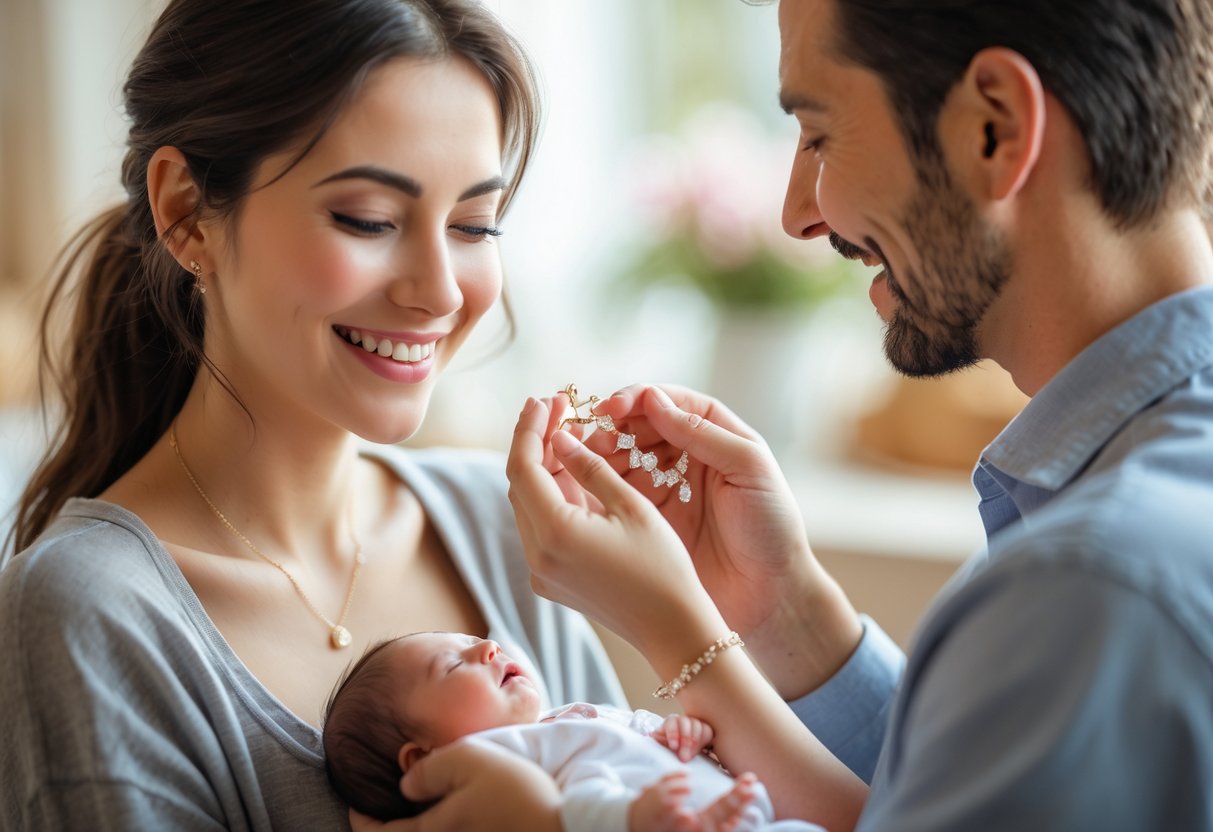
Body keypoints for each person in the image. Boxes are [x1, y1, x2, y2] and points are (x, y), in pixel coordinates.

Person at [379, 0, 1213, 829]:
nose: (797, 214)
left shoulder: (1092, 589)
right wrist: (783, 613)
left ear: (993, 128)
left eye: (817, 135)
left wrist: (674, 639)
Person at [0, 1, 628, 829]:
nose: (440, 290)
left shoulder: (509, 526)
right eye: (368, 219)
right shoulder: (90, 616)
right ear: (186, 210)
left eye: (475, 224)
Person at [324, 630, 832, 831]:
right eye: (455, 667)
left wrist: (680, 734)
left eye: (477, 640)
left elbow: (634, 737)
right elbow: (575, 810)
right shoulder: (500, 760)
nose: (489, 649)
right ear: (424, 760)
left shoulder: (564, 718)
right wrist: (630, 817)